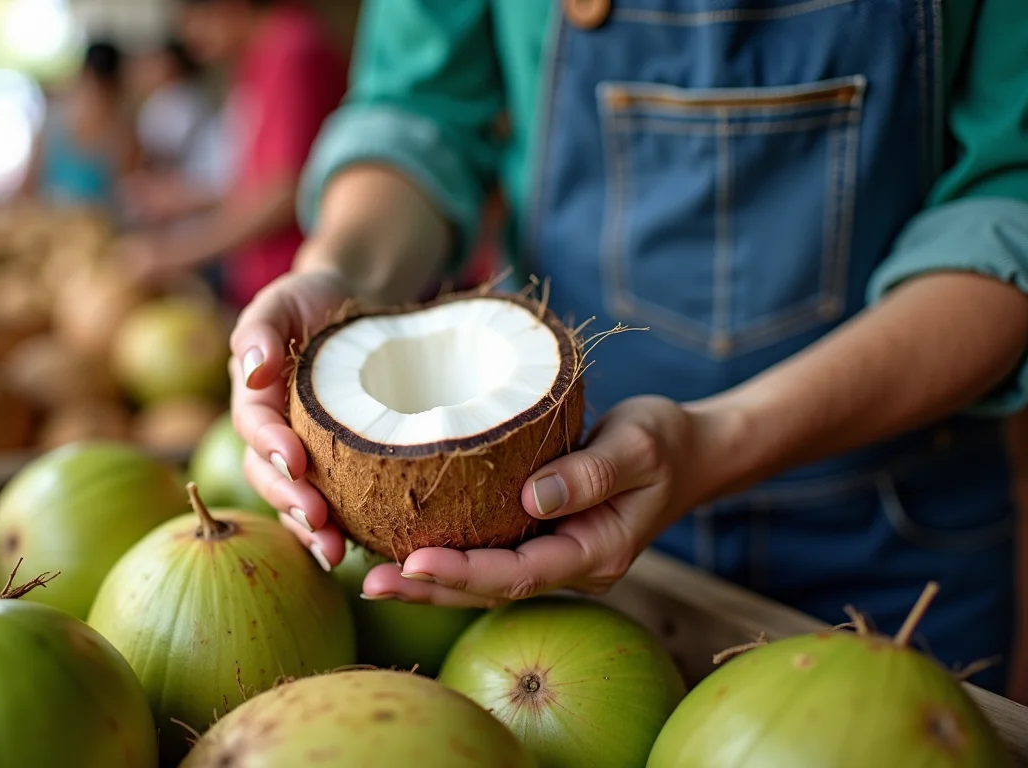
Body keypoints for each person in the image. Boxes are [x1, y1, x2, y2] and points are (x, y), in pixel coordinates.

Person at [227, 0, 1028, 696]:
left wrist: (718, 441)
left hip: (894, 527)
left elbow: (1009, 200)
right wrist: (339, 269)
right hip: (561, 518)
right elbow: (422, 109)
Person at [121, 0, 347, 310]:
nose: (189, 35)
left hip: (295, 287)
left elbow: (282, 194)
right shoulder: (262, 57)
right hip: (269, 284)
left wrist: (172, 253)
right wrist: (186, 198)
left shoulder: (293, 52)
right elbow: (261, 182)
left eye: (195, 19)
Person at [123, 38, 233, 227]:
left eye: (152, 62)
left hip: (191, 200)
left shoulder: (176, 100)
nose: (144, 70)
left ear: (170, 64)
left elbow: (157, 157)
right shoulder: (180, 98)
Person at [23, 40, 140, 209]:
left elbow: (126, 197)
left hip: (93, 226)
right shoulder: (54, 124)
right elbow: (28, 186)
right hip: (48, 221)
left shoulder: (124, 137)